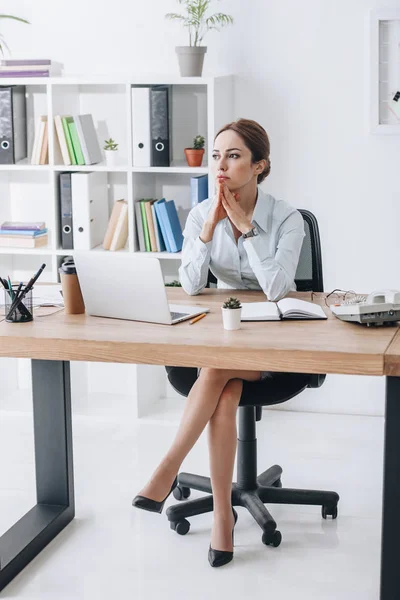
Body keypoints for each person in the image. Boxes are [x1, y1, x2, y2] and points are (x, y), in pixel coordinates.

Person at [132, 118, 305, 567]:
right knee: (222, 387)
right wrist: (208, 230)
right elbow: (189, 286)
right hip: (226, 340)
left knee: (215, 368)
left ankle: (167, 468)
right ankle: (223, 519)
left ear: (259, 165)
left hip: (277, 349)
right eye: (216, 155)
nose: (221, 166)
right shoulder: (200, 212)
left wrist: (246, 230)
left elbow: (276, 289)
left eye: (234, 156)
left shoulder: (287, 219)